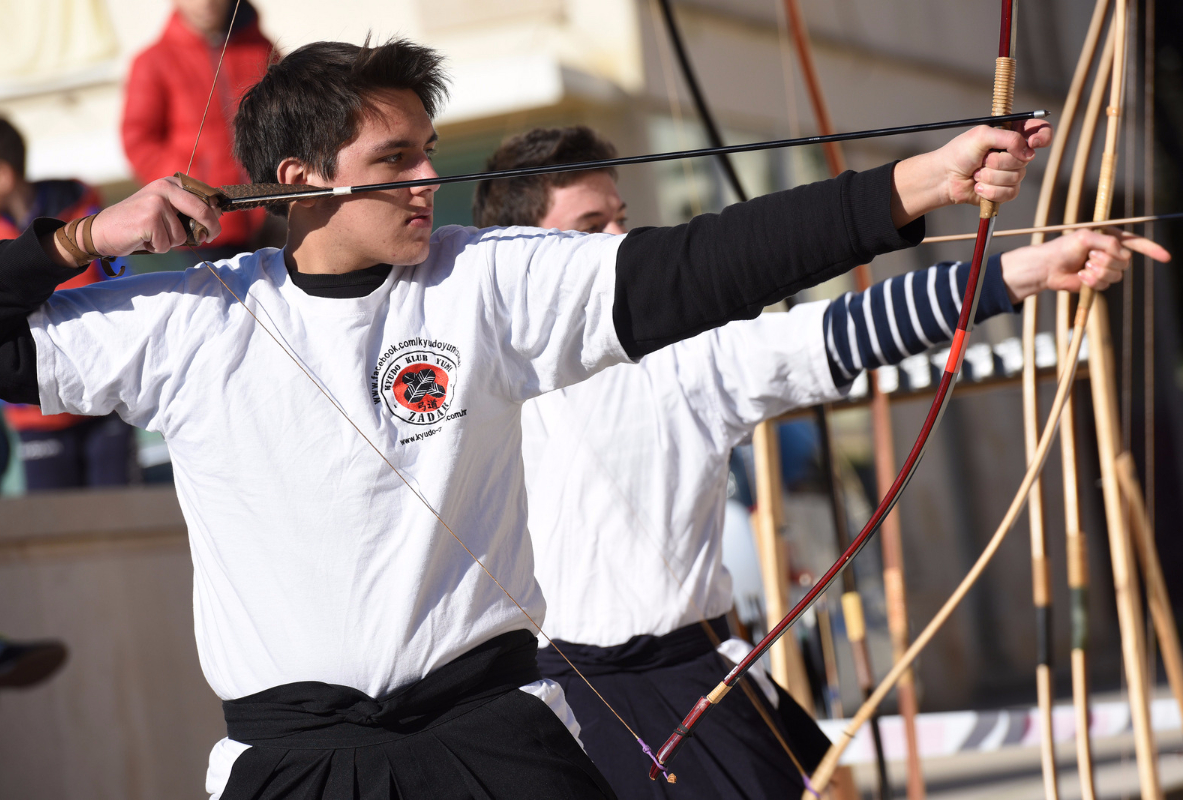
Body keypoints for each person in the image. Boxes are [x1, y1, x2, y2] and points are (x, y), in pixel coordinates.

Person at [0, 37, 1052, 799]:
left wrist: (917, 183)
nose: (426, 181)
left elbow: (699, 265)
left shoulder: (484, 280)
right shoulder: (188, 320)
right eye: (393, 161)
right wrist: (75, 241)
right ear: (298, 180)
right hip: (296, 761)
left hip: (491, 738)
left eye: (427, 151)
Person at [474, 126, 1170, 799]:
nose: (620, 241)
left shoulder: (684, 357)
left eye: (621, 219)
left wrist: (1022, 272)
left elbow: (841, 331)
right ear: (528, 254)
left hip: (687, 686)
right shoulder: (473, 375)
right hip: (552, 700)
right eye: (591, 227)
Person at [0, 115, 135, 491]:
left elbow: (123, 293)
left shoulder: (87, 216)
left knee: (120, 519)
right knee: (54, 524)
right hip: (36, 416)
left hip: (106, 401)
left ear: (1, 175)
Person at [121, 0, 274, 260]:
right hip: (204, 225)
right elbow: (138, 141)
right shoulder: (152, 61)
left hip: (272, 214)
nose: (206, 3)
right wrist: (188, 189)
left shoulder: (261, 48)